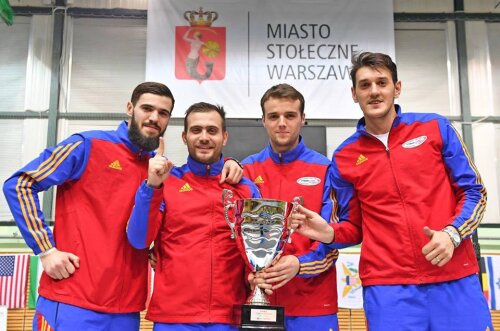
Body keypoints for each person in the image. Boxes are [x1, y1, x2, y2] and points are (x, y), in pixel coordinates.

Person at [2, 83, 243, 331]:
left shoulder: (158, 170)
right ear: (130, 108)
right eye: (147, 108)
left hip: (126, 312)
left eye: (162, 113)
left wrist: (233, 163)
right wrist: (46, 249)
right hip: (71, 301)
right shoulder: (87, 145)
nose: (153, 118)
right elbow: (20, 185)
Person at [289, 52, 492, 330]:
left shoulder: (435, 127)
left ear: (397, 88)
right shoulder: (345, 157)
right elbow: (354, 227)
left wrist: (452, 234)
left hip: (455, 278)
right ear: (354, 94)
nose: (374, 91)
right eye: (365, 85)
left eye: (381, 82)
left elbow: (474, 192)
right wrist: (330, 233)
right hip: (389, 290)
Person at [127, 102, 260, 330]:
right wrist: (151, 186)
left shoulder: (246, 189)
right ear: (184, 136)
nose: (204, 137)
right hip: (173, 318)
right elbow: (139, 239)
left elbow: (256, 253)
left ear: (224, 137)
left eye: (212, 130)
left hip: (229, 318)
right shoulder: (166, 183)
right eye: (196, 130)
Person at [241, 84, 340, 331]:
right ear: (263, 120)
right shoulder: (247, 170)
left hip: (314, 306)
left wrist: (299, 264)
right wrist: (249, 273)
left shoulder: (326, 170)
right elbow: (233, 238)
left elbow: (335, 236)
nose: (282, 123)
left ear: (303, 119)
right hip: (261, 301)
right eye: (274, 116)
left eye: (290, 115)